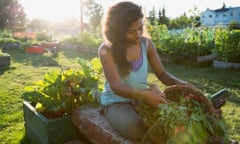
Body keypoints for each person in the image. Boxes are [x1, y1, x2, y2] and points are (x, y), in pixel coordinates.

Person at [97, 1, 212, 141]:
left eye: (141, 28)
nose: (138, 35)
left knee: (173, 121)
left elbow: (162, 74)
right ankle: (105, 107)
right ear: (117, 32)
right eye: (131, 32)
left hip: (142, 98)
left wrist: (184, 85)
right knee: (138, 129)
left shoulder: (146, 44)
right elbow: (116, 86)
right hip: (117, 102)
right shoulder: (106, 49)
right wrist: (145, 96)